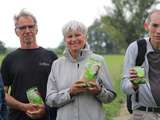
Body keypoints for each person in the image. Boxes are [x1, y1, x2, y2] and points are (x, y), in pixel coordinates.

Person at [46, 20, 116, 120]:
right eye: (69, 36)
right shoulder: (57, 65)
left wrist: (98, 91)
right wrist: (70, 92)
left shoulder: (98, 60)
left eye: (77, 35)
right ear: (65, 39)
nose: (74, 39)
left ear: (85, 37)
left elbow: (111, 96)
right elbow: (50, 99)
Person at [1, 9, 57, 120]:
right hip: (17, 117)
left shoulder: (51, 57)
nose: (27, 30)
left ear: (36, 29)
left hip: (47, 117)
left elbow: (59, 90)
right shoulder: (9, 59)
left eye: (30, 26)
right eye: (22, 28)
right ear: (16, 31)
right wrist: (23, 107)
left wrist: (45, 108)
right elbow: (3, 94)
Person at [121, 9, 160, 120]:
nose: (159, 31)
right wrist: (134, 84)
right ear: (146, 26)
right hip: (143, 114)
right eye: (155, 25)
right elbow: (124, 86)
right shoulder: (136, 48)